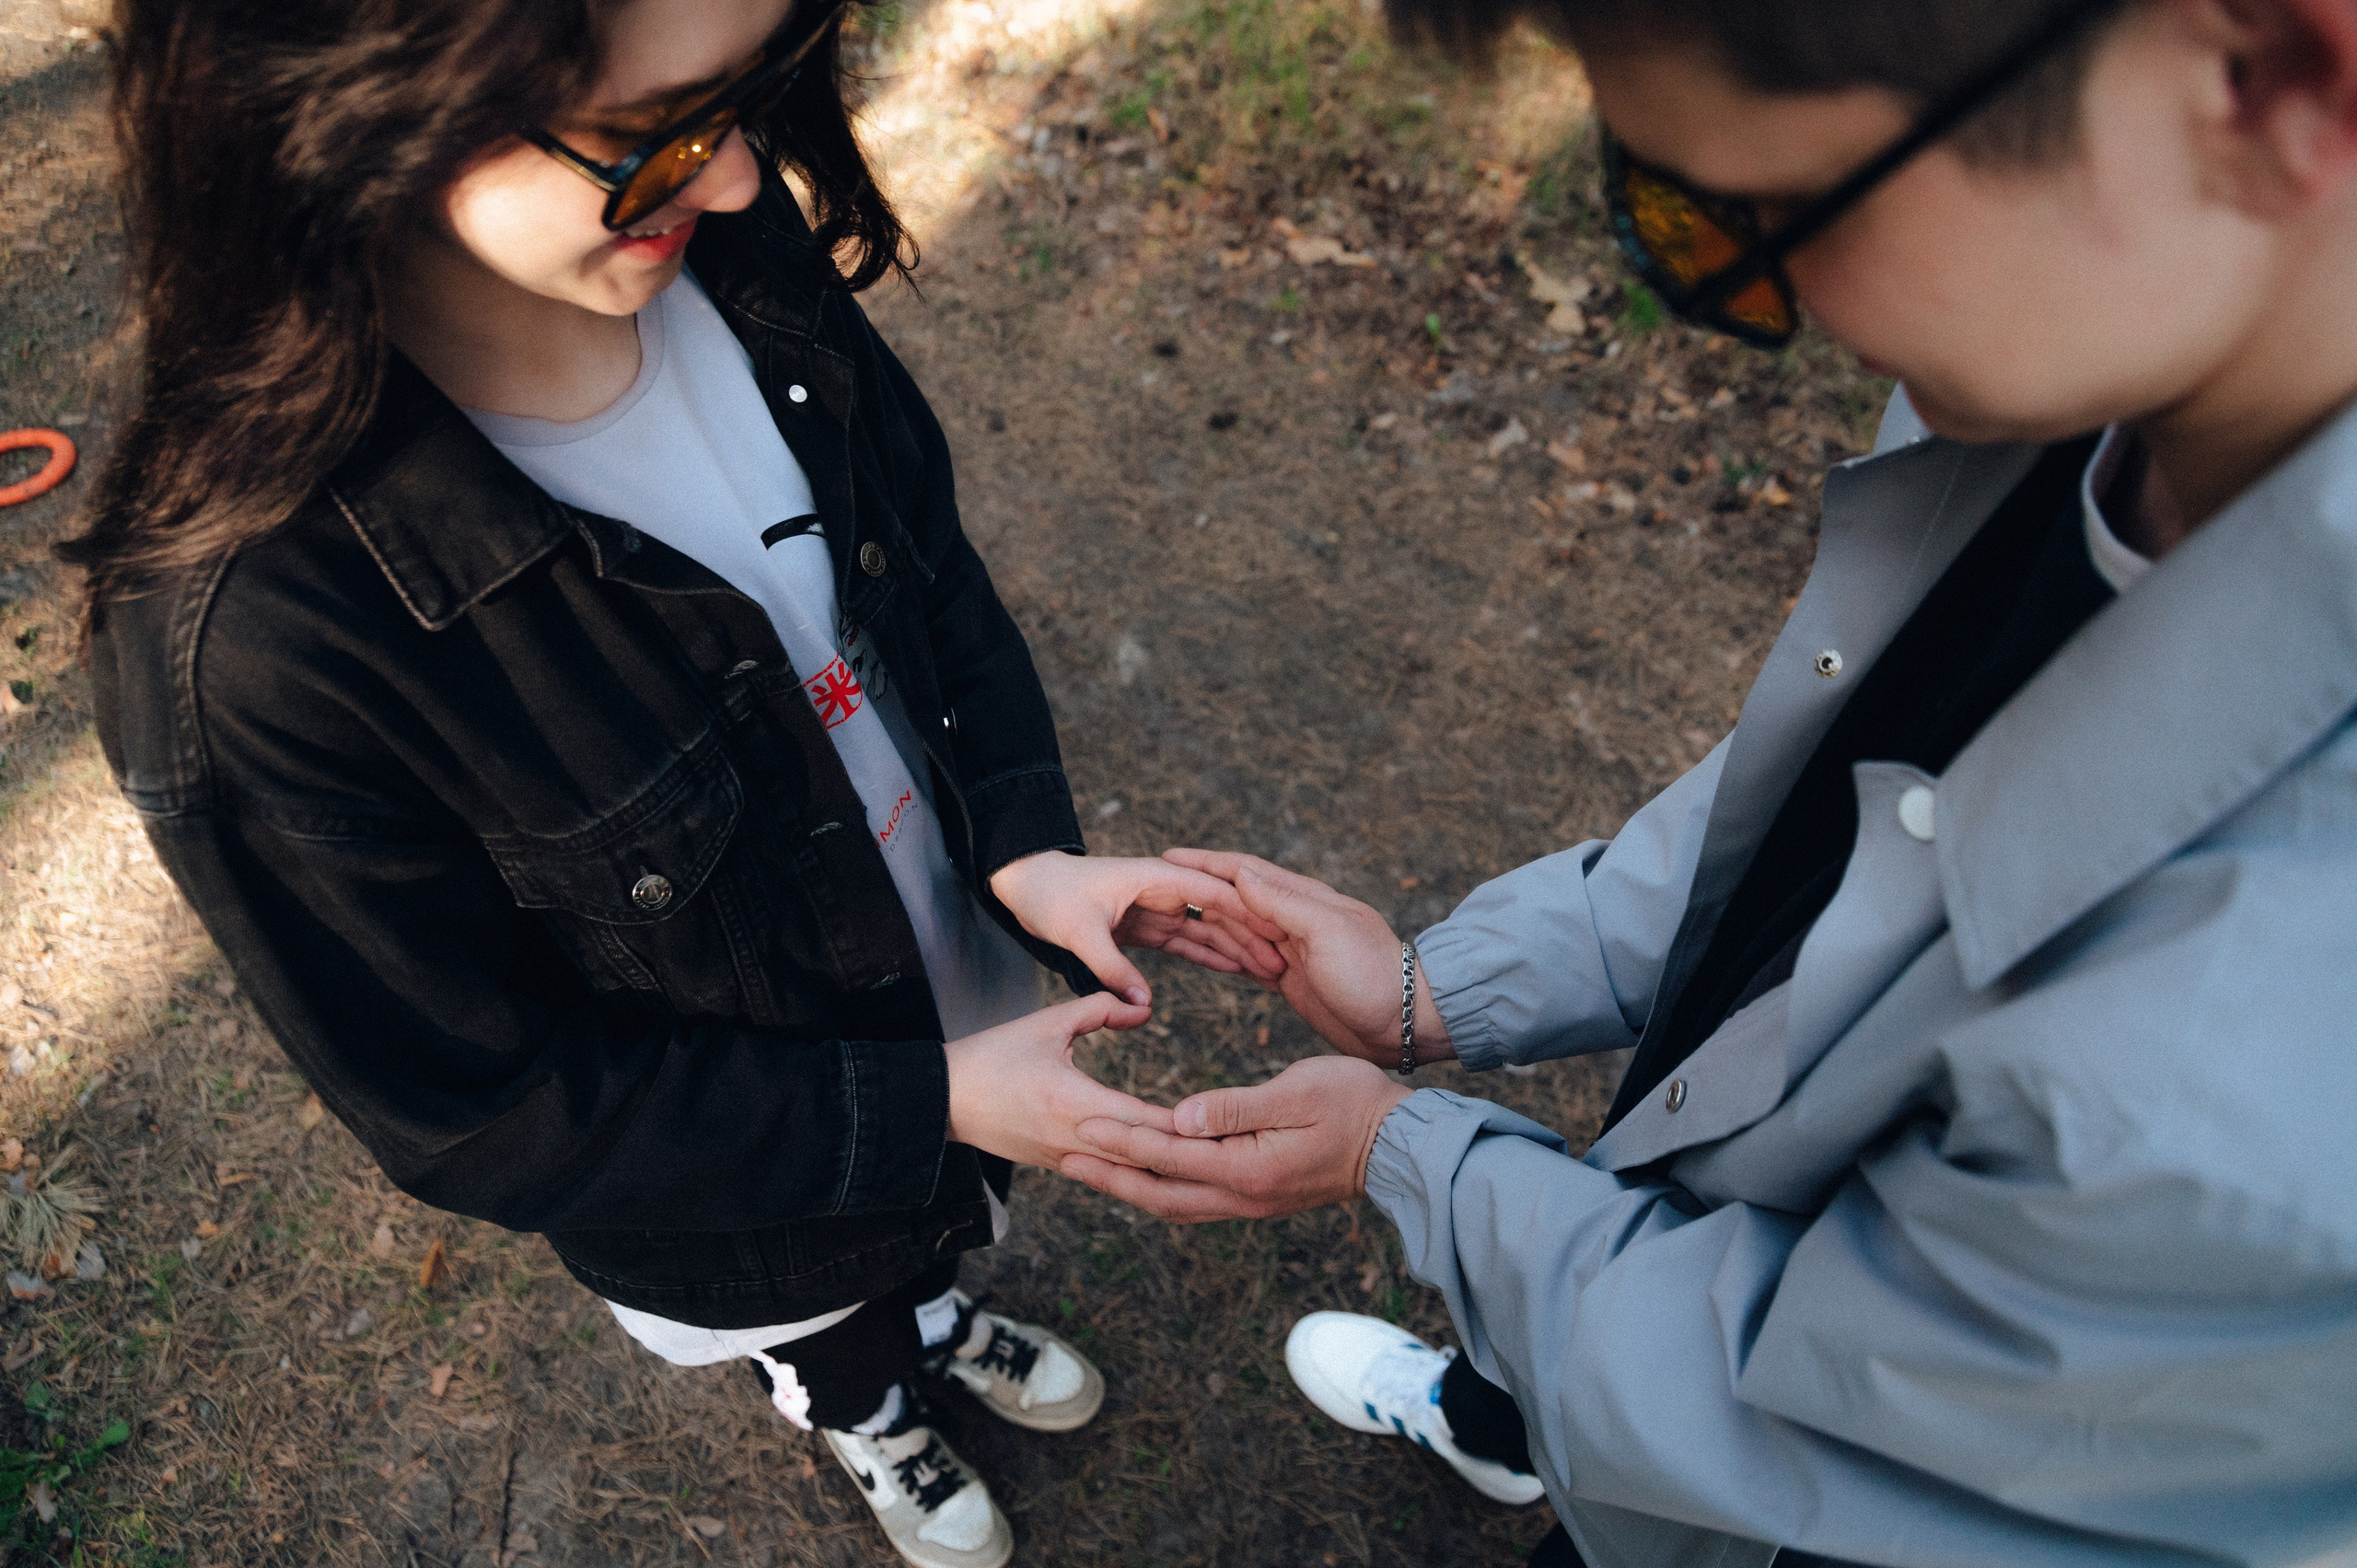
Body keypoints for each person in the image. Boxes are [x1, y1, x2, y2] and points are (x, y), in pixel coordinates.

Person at [1065, 1, 2357, 1564]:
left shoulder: (2262, 1053)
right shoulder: (2118, 370)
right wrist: (1438, 993)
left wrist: (1397, 1151)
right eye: (1671, 204)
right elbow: (1843, 811)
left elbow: (1796, 1420)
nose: (1756, 303)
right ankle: (1520, 1417)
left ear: (2274, 84)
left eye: (1769, 216)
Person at [69, 4, 1280, 1565]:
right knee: (836, 1321)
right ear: (354, 110)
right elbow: (481, 1104)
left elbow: (923, 574)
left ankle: (934, 1321)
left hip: (958, 1012)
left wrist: (1028, 851)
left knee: (936, 1246)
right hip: (755, 1199)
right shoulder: (257, 648)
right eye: (661, 137)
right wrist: (928, 1103)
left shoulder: (728, 242)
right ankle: (868, 1411)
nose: (736, 180)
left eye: (755, 94)